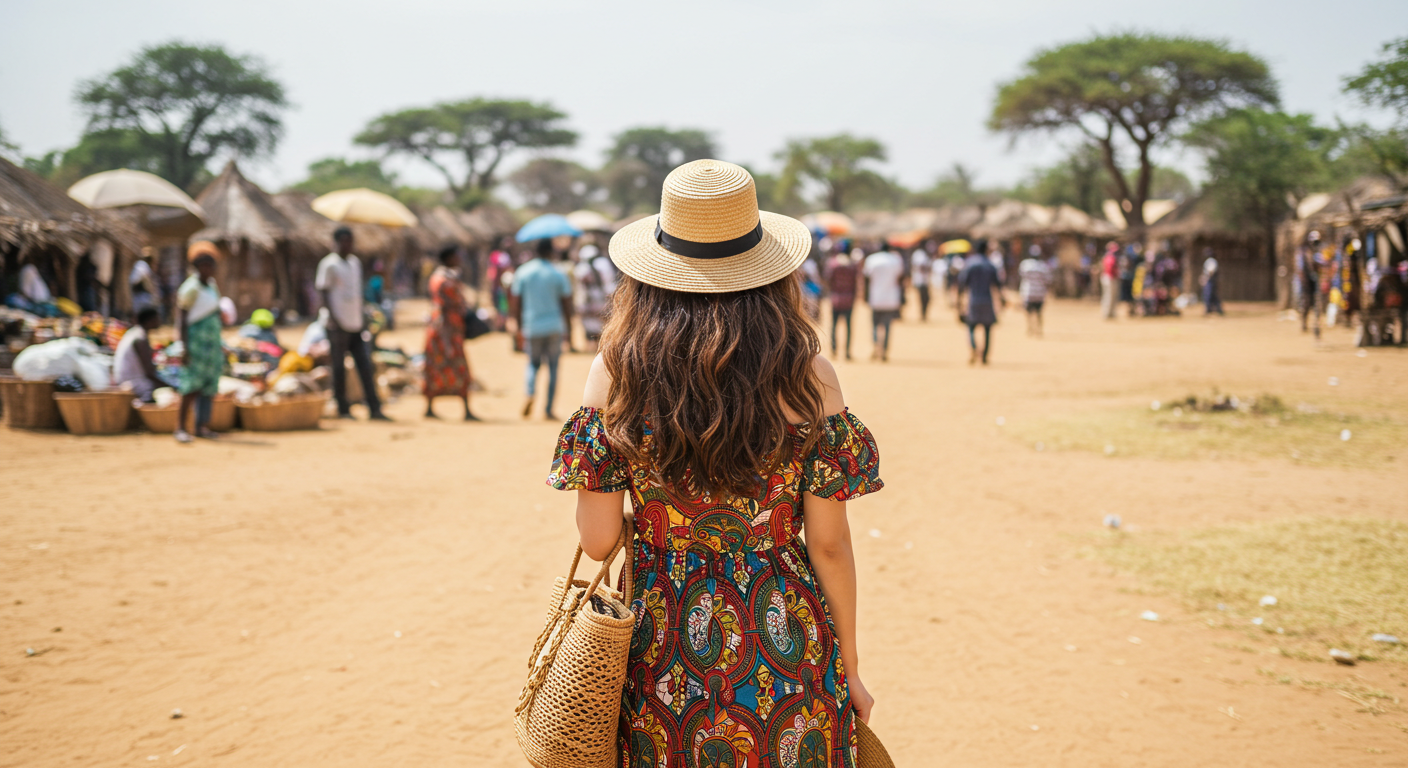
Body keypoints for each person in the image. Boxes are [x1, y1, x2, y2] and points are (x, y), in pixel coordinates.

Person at [549, 159, 879, 765]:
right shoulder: (811, 378)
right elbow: (829, 545)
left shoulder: (615, 373)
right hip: (786, 645)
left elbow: (596, 542)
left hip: (660, 653)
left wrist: (666, 528)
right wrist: (850, 667)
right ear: (770, 270)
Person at [316, 227, 387, 421]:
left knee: (365, 365)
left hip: (356, 323)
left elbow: (357, 294)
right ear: (336, 242)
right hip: (337, 324)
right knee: (338, 367)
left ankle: (375, 408)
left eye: (350, 241)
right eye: (344, 240)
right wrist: (334, 319)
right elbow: (323, 293)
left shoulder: (355, 263)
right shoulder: (328, 264)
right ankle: (343, 409)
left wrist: (363, 318)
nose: (347, 244)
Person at [511, 238, 572, 420]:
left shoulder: (523, 272)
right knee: (553, 367)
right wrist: (568, 330)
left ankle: (530, 393)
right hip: (554, 326)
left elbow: (516, 302)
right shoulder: (558, 273)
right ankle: (548, 409)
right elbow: (566, 303)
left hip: (532, 325)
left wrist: (517, 325)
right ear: (550, 252)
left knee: (532, 364)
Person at [175, 245, 224, 443]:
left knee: (208, 385)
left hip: (211, 344)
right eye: (203, 266)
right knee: (191, 386)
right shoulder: (190, 288)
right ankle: (180, 427)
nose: (207, 269)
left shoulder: (212, 286)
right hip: (195, 343)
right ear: (197, 267)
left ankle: (201, 426)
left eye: (210, 266)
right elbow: (182, 318)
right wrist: (183, 347)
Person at [423, 244, 477, 420]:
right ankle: (432, 407)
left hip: (451, 330)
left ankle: (464, 408)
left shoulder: (447, 277)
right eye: (456, 256)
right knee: (446, 366)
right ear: (449, 258)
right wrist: (446, 336)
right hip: (444, 331)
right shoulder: (442, 280)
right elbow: (442, 306)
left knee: (453, 367)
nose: (459, 260)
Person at [958, 239, 1005, 365]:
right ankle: (984, 356)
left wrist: (959, 300)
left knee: (971, 327)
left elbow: (962, 283)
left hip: (973, 300)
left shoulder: (970, 264)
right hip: (987, 300)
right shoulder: (990, 265)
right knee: (988, 329)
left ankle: (974, 348)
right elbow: (998, 285)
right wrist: (1002, 299)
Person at [862, 244, 905, 362]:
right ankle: (884, 350)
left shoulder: (872, 259)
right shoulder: (895, 260)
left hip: (875, 297)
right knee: (887, 326)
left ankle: (876, 346)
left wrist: (865, 295)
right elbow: (900, 277)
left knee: (875, 325)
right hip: (891, 298)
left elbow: (866, 278)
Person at [113, 307, 165, 402]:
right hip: (132, 383)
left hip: (128, 380)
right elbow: (149, 373)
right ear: (150, 320)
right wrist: (170, 386)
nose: (160, 321)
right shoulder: (140, 338)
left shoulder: (135, 333)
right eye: (157, 318)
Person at [573, 244, 611, 350]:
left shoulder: (581, 268)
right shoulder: (603, 265)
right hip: (596, 299)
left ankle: (592, 345)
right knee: (595, 324)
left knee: (592, 324)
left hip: (591, 300)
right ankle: (596, 346)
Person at [825, 246, 859, 359]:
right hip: (849, 299)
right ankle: (847, 352)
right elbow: (856, 282)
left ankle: (834, 350)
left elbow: (828, 279)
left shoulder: (834, 264)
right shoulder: (852, 266)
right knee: (848, 327)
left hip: (836, 298)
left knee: (834, 325)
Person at [1018, 245, 1052, 337]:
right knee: (1039, 312)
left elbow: (1021, 276)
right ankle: (1039, 329)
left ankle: (1030, 328)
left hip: (1028, 292)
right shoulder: (1043, 266)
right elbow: (1048, 280)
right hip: (1040, 293)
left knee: (1028, 312)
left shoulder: (1025, 264)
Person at [910, 242, 934, 321]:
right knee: (924, 298)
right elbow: (921, 266)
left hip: (924, 280)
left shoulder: (922, 254)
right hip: (920, 280)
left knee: (926, 298)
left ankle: (923, 314)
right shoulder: (919, 254)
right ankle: (922, 314)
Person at [1099, 241, 1119, 320]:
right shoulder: (1110, 257)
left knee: (1111, 296)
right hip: (1110, 278)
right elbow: (1109, 268)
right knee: (1108, 296)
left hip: (1108, 277)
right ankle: (1107, 313)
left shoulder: (1108, 257)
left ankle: (1111, 312)